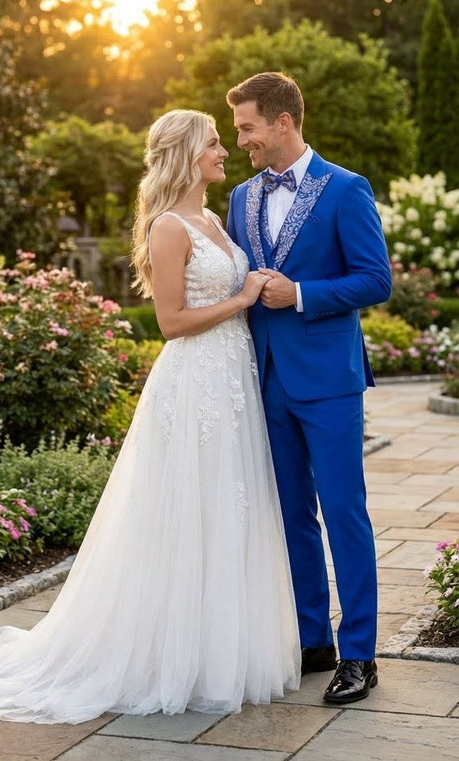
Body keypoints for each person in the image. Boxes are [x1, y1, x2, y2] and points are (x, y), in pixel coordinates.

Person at [0, 109, 301, 724]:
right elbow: (170, 324)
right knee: (182, 512)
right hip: (194, 381)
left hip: (231, 383)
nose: (225, 150)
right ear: (187, 154)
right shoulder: (171, 227)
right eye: (215, 143)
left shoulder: (214, 221)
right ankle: (163, 657)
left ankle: (214, 653)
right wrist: (242, 297)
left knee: (229, 507)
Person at [226, 72, 392, 705]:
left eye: (247, 127)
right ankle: (312, 638)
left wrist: (301, 295)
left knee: (344, 512)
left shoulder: (346, 189)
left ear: (283, 122)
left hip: (328, 382)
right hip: (265, 377)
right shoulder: (240, 197)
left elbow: (375, 280)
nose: (242, 140)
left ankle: (360, 654)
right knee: (292, 513)